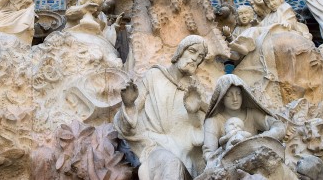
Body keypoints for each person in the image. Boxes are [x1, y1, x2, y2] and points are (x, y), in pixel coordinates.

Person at [114, 35, 209, 180]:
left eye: (200, 56)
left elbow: (203, 129)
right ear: (180, 52)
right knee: (169, 163)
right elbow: (126, 124)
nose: (195, 58)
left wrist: (195, 111)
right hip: (153, 146)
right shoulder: (154, 76)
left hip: (183, 155)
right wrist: (129, 104)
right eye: (192, 51)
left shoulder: (195, 90)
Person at [203, 75, 285, 169]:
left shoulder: (252, 114)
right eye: (229, 95)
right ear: (221, 99)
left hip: (257, 161)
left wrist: (256, 140)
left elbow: (279, 127)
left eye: (238, 94)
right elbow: (209, 155)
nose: (235, 99)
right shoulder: (213, 121)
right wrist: (227, 153)